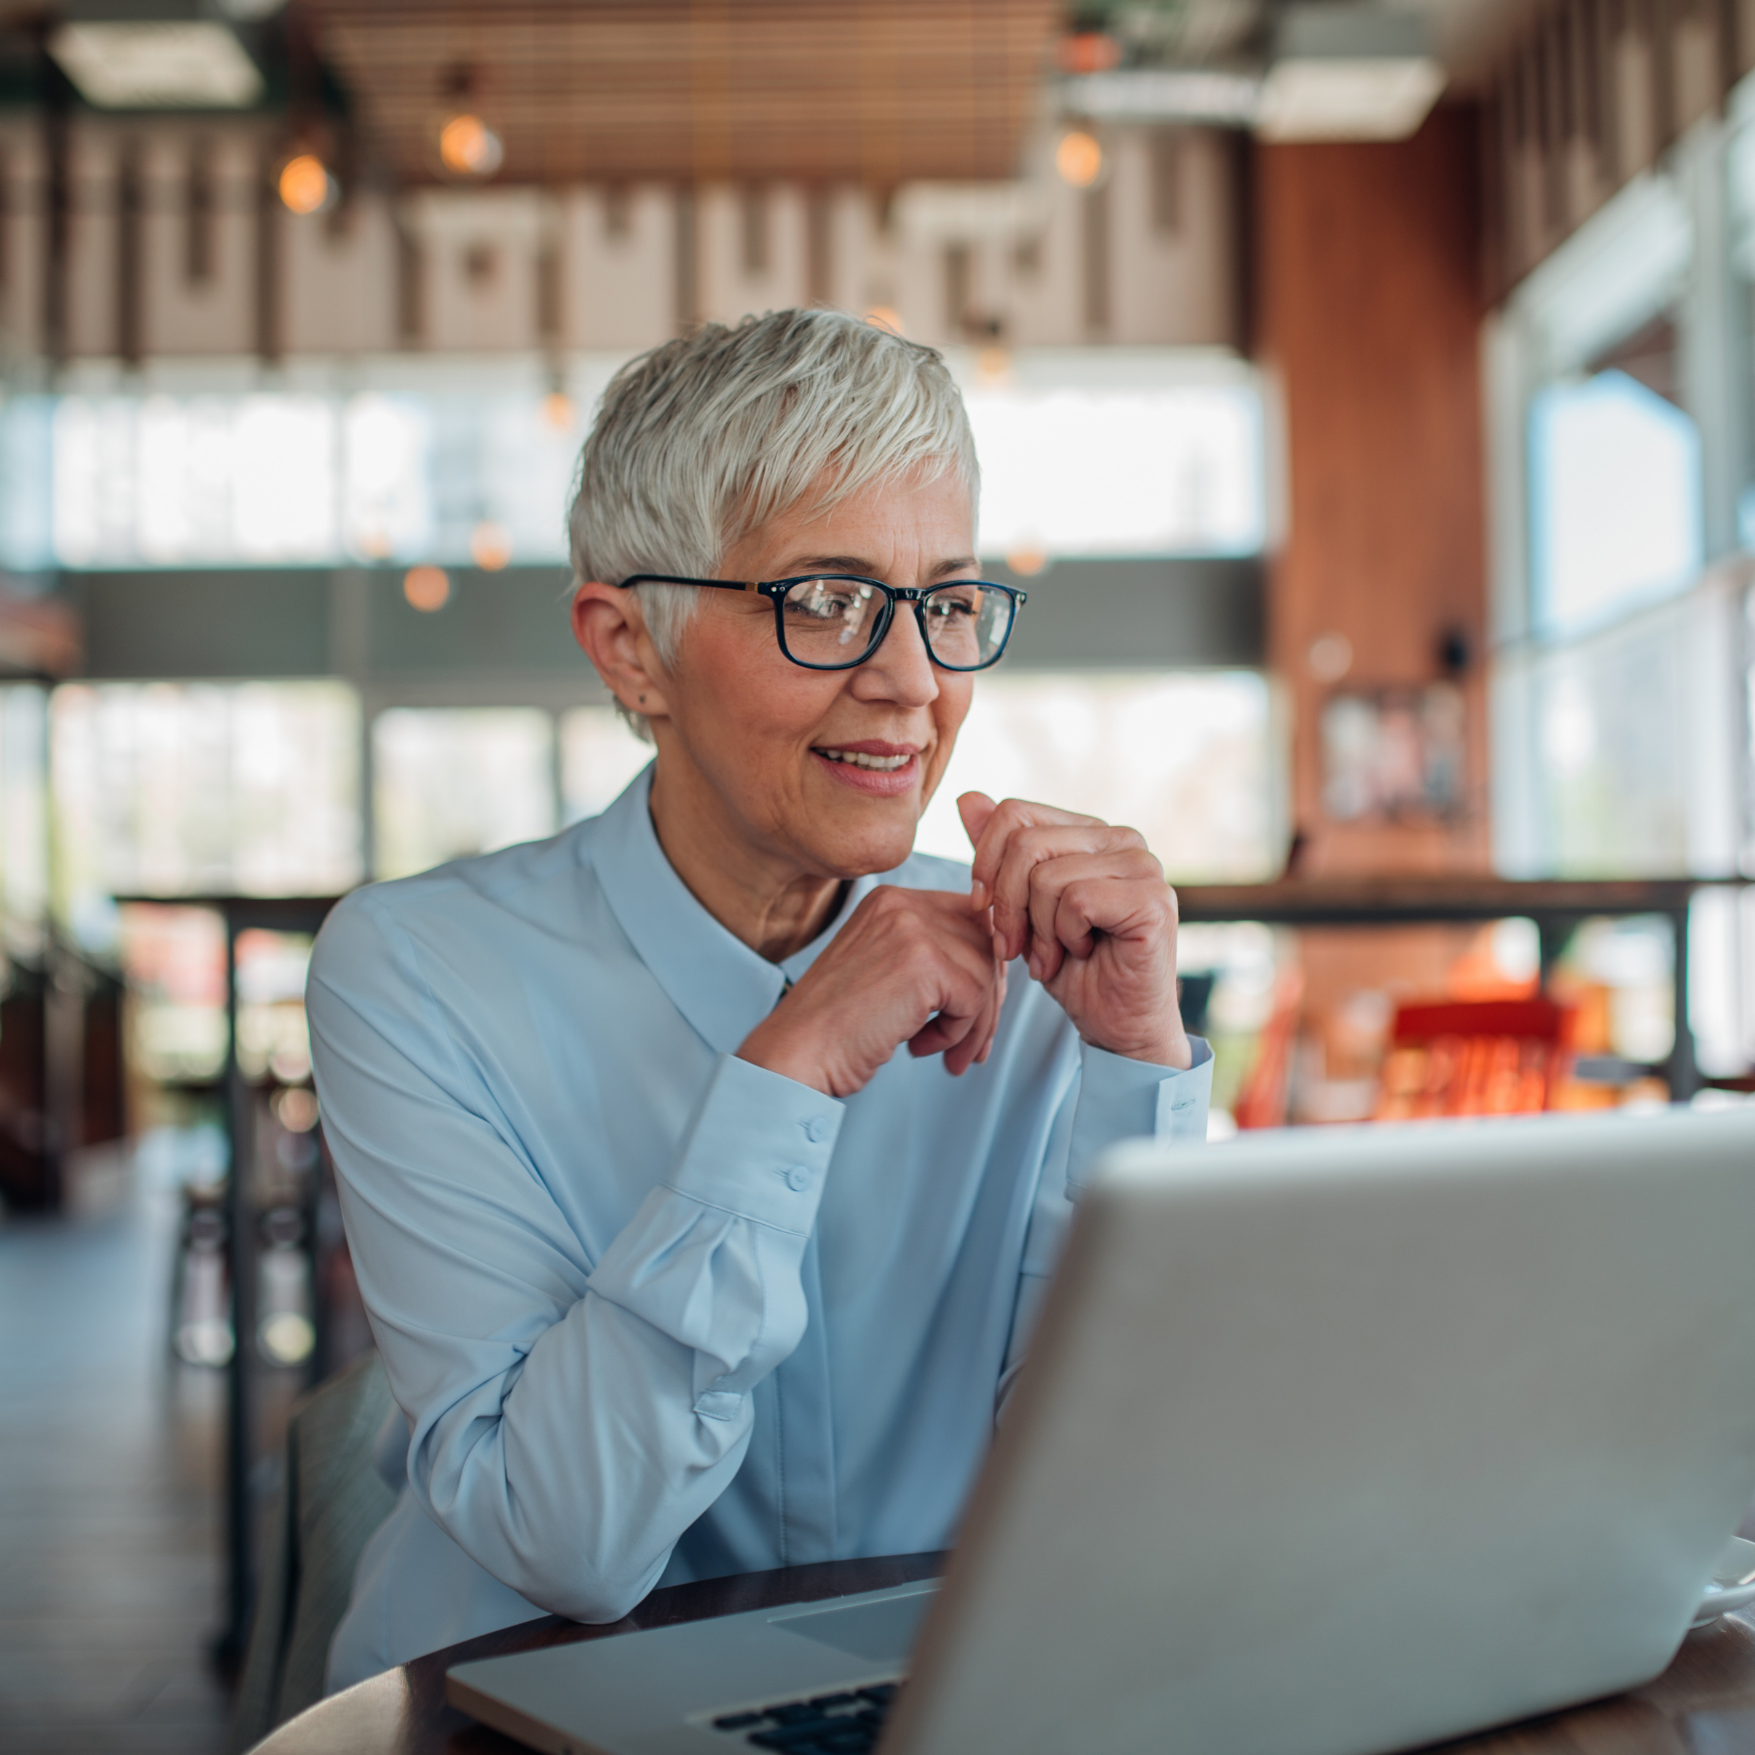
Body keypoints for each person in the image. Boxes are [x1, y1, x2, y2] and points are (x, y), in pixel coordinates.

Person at [310, 308, 1213, 1690]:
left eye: (948, 602)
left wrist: (1134, 1070)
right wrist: (781, 1073)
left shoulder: (1044, 968)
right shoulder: (416, 975)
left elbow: (1121, 1495)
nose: (912, 681)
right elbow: (572, 1540)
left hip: (933, 1699)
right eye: (826, 599)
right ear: (628, 649)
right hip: (516, 1710)